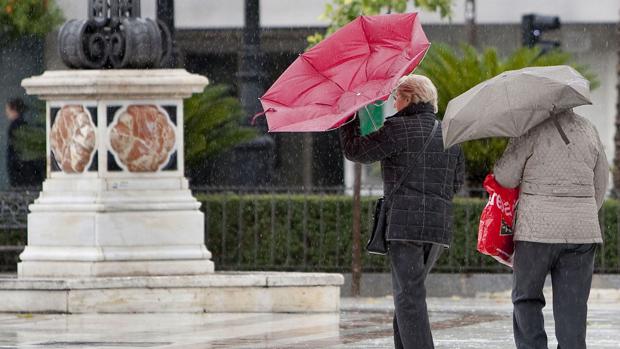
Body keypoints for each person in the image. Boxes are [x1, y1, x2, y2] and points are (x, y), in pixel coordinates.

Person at [339, 74, 465, 349]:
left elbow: (355, 150)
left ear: (408, 99)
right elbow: (456, 183)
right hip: (437, 229)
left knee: (409, 298)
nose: (394, 102)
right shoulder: (449, 134)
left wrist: (349, 117)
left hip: (404, 227)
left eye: (397, 97)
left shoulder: (397, 129)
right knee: (409, 296)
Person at [493, 108, 608, 349]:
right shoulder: (589, 131)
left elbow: (504, 177)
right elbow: (600, 185)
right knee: (573, 305)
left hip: (536, 233)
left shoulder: (529, 130)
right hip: (581, 233)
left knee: (527, 298)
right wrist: (580, 213)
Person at [5, 98, 27, 187]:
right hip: (19, 163)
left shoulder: (16, 125)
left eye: (8, 109)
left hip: (17, 163)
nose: (6, 112)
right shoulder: (21, 124)